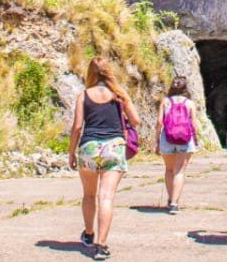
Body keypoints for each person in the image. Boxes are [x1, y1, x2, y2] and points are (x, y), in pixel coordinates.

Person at [69, 57, 141, 261]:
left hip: (89, 147)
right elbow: (135, 120)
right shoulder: (119, 94)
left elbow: (76, 127)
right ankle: (101, 245)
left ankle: (89, 234)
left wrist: (71, 153)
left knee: (89, 195)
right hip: (114, 147)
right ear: (109, 71)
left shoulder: (83, 95)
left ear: (90, 73)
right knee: (106, 197)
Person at [156, 75, 198, 213]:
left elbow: (159, 123)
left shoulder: (165, 102)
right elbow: (193, 124)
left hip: (167, 138)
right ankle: (174, 203)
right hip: (185, 139)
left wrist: (157, 140)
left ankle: (170, 198)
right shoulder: (190, 103)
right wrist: (195, 139)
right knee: (179, 171)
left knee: (169, 170)